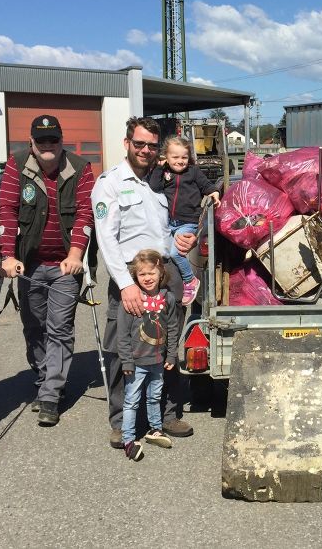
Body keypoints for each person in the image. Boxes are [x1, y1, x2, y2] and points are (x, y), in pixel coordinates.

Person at [92, 116, 196, 448]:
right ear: (127, 144)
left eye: (152, 145)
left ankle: (165, 415)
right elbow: (106, 239)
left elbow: (167, 227)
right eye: (140, 144)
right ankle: (122, 420)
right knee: (124, 347)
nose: (146, 150)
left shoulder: (159, 182)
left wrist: (185, 241)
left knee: (165, 345)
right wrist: (126, 285)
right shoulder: (109, 183)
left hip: (165, 274)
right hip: (132, 277)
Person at [0, 115, 95, 427]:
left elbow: (85, 212)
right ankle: (44, 378)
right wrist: (8, 255)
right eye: (41, 141)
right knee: (33, 326)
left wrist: (77, 252)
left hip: (66, 265)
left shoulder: (80, 168)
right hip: (30, 263)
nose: (47, 145)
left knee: (60, 327)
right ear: (32, 142)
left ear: (61, 140)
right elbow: (7, 209)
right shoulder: (17, 164)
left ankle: (51, 393)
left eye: (53, 139)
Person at [117, 249, 179, 461]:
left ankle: (155, 429)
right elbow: (123, 334)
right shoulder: (131, 301)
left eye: (151, 273)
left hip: (158, 361)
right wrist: (126, 360)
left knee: (154, 397)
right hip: (136, 362)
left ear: (161, 273)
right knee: (132, 401)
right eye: (142, 274)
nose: (148, 278)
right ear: (135, 277)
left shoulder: (167, 298)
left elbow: (172, 327)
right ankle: (128, 439)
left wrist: (171, 355)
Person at [147, 135, 220, 306]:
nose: (180, 161)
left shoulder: (193, 172)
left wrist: (214, 192)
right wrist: (158, 168)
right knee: (165, 254)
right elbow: (154, 187)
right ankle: (170, 289)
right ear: (166, 157)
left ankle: (190, 281)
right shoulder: (164, 172)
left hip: (189, 222)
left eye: (184, 157)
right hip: (170, 223)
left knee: (175, 253)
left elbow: (206, 186)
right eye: (175, 157)